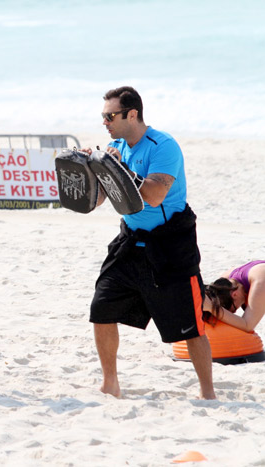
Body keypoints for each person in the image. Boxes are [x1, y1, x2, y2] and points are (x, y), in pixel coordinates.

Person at [81, 86, 216, 399]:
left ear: (132, 114)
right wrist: (90, 170)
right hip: (130, 240)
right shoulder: (115, 146)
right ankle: (110, 383)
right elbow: (99, 201)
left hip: (170, 244)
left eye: (110, 116)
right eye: (102, 117)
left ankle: (207, 392)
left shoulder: (162, 145)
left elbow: (155, 196)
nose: (105, 122)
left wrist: (120, 168)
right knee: (101, 309)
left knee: (190, 326)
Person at [204, 261, 265, 331]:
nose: (235, 312)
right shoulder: (224, 283)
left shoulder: (260, 282)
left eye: (234, 309)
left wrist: (211, 307)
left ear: (234, 294)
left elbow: (248, 325)